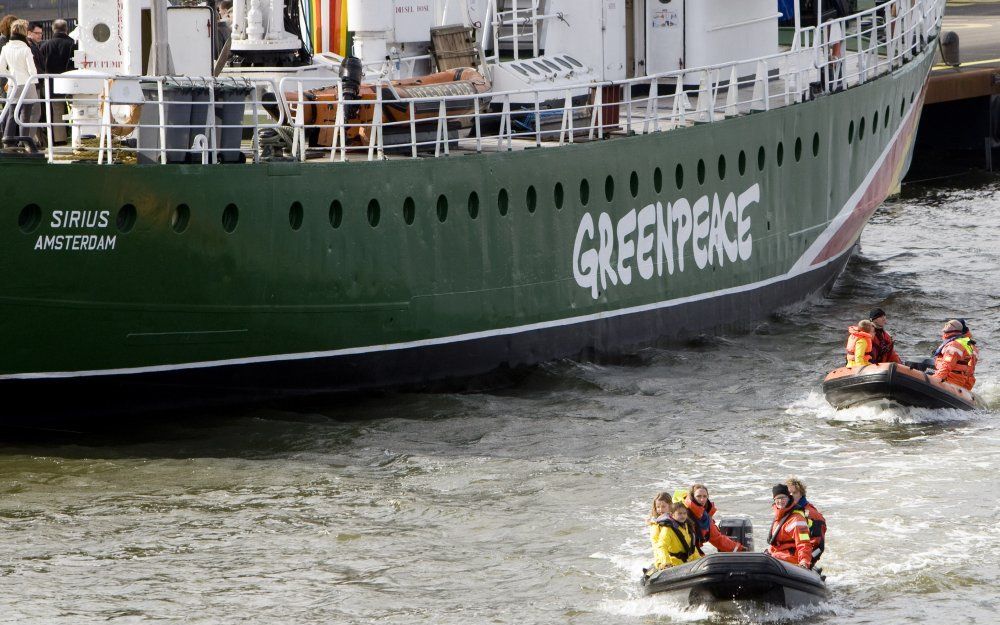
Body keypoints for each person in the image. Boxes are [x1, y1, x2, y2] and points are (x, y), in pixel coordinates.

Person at [0, 19, 39, 144]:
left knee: (11, 113)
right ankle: (24, 142)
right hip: (27, 84)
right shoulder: (26, 49)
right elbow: (32, 70)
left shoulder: (6, 48)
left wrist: (10, 76)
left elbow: (1, 68)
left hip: (13, 84)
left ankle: (8, 141)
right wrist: (33, 79)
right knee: (25, 115)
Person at [39, 19, 75, 145]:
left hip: (51, 83)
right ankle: (78, 136)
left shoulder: (45, 45)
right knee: (77, 109)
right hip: (71, 82)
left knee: (56, 111)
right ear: (66, 29)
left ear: (53, 29)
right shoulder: (72, 44)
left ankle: (59, 139)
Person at [682, 484, 746, 554]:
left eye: (705, 496)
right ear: (692, 497)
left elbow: (717, 539)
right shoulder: (683, 513)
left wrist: (740, 549)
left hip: (693, 551)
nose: (702, 499)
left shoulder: (705, 515)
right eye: (698, 496)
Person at [765, 484, 813, 569]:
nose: (780, 501)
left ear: (788, 498)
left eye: (783, 497)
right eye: (777, 498)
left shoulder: (797, 520)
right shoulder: (778, 518)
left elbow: (804, 543)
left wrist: (804, 561)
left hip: (791, 560)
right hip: (777, 557)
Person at [785, 477, 827, 566]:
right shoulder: (784, 512)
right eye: (789, 493)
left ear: (801, 494)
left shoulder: (812, 515)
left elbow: (818, 545)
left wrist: (805, 561)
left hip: (803, 558)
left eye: (795, 493)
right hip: (786, 556)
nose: (791, 495)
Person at [932, 319, 979, 390]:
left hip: (950, 379)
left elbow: (947, 365)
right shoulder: (971, 346)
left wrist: (935, 380)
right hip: (963, 381)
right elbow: (970, 370)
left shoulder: (954, 345)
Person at [653, 502, 702, 569]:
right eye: (679, 514)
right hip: (674, 565)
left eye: (684, 513)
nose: (683, 516)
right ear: (672, 515)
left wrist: (699, 560)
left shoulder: (686, 526)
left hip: (687, 563)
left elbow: (692, 547)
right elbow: (662, 546)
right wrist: (666, 562)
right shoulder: (667, 529)